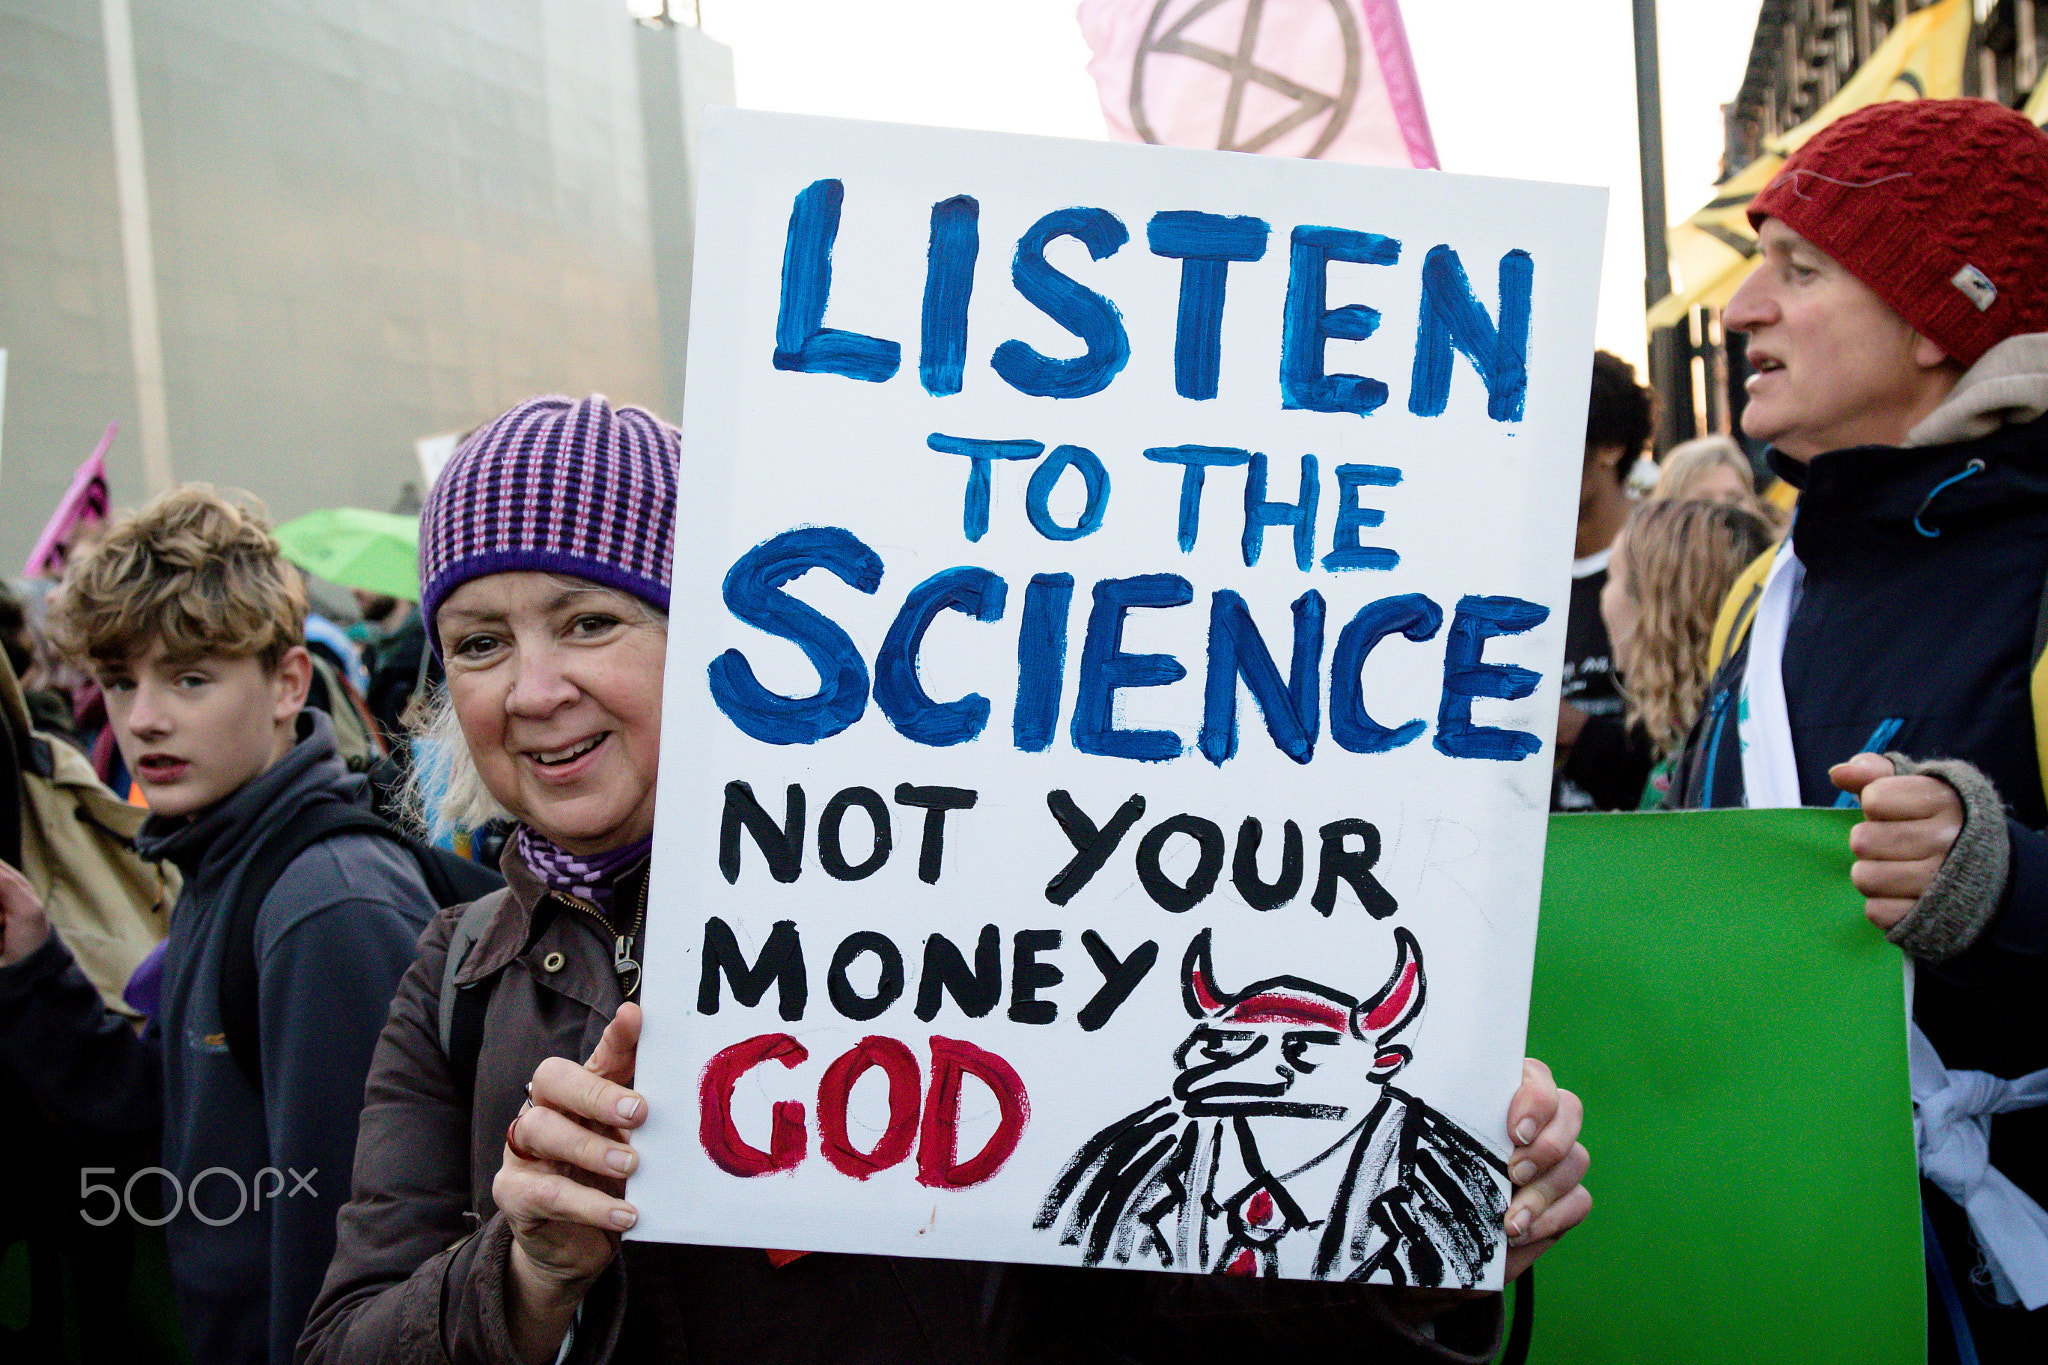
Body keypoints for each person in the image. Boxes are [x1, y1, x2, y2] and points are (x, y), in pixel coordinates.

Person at [300, 395, 1593, 1365]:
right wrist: (523, 1275)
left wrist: (1426, 1225)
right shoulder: (456, 970)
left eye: (593, 620)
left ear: (725, 639)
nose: (533, 689)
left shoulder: (958, 910)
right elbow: (348, 1337)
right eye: (480, 641)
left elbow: (1173, 1292)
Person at [1663, 99, 2048, 1362]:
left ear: (1942, 313)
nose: (1738, 311)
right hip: (1783, 1266)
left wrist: (1997, 882)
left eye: (1800, 269)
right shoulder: (1757, 596)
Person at [0, 486, 436, 1365]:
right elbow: (171, 1124)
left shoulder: (326, 905)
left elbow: (363, 1256)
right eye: (122, 680)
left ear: (287, 683)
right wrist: (37, 966)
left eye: (190, 677)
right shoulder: (221, 855)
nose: (145, 718)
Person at [1597, 499, 1774, 808]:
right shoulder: (1731, 736)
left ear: (1660, 611)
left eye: (1612, 578)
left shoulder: (1717, 763)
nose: (1602, 596)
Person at [1554, 351, 1657, 811]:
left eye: (1552, 440)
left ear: (1611, 446)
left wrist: (1573, 731)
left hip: (1646, 865)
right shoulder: (1505, 578)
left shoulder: (1675, 568)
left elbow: (1700, 745)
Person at [1650, 433, 1781, 529]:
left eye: (1734, 498)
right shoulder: (1643, 564)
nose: (1723, 509)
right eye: (1705, 502)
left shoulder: (1781, 562)